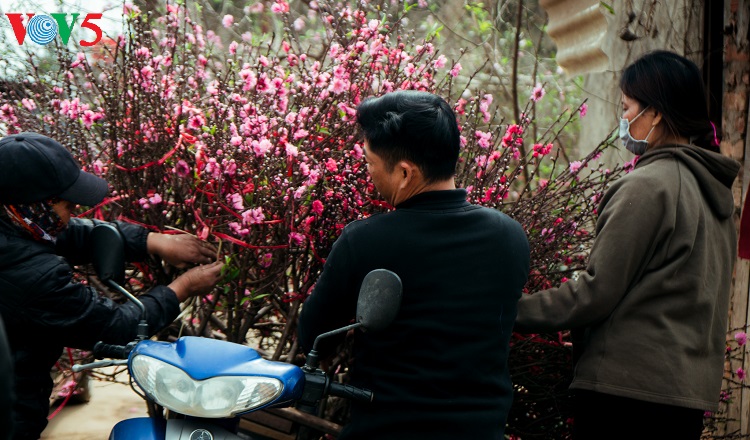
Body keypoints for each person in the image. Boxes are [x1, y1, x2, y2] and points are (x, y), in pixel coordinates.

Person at [514, 50, 740, 439]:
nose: (624, 118)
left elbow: (596, 292)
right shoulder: (713, 194)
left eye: (627, 107)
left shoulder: (647, 186)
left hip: (625, 394)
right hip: (682, 397)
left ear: (655, 113)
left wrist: (511, 310)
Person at [297, 90, 530, 440]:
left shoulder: (366, 240)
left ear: (405, 173)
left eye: (370, 163)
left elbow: (314, 339)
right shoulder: (509, 236)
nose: (369, 172)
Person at [0, 132, 224, 440]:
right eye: (68, 205)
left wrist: (152, 241)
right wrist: (183, 287)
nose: (73, 213)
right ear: (35, 207)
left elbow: (76, 233)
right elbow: (116, 326)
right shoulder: (30, 274)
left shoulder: (15, 223)